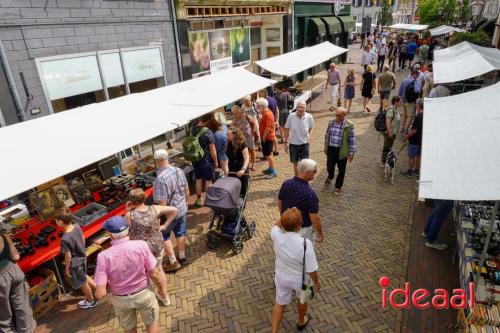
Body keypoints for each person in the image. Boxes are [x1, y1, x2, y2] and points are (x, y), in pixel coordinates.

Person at [94, 216, 165, 333]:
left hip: (121, 299)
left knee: (129, 330)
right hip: (144, 293)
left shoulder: (103, 256)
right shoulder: (141, 245)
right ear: (128, 230)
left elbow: (100, 293)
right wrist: (161, 290)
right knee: (152, 325)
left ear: (110, 235)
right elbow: (154, 273)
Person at [125, 188, 178, 305]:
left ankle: (155, 294)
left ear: (131, 201)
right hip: (157, 244)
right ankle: (164, 296)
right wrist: (165, 225)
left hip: (142, 249)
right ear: (144, 198)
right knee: (159, 269)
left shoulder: (129, 216)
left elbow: (126, 230)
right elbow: (175, 210)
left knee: (147, 272)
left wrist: (127, 210)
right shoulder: (155, 208)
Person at [271, 207, 320, 333]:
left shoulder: (275, 234)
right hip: (300, 280)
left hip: (281, 276)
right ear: (299, 226)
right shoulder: (305, 243)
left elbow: (278, 223)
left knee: (279, 304)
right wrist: (316, 282)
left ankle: (274, 331)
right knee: (302, 299)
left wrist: (287, 215)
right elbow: (311, 269)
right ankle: (301, 320)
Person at [153, 149, 189, 271]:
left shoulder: (160, 179)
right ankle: (182, 257)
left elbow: (162, 203)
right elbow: (186, 190)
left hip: (169, 213)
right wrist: (186, 203)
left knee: (165, 235)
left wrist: (157, 217)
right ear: (167, 158)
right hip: (182, 208)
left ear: (157, 161)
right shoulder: (178, 170)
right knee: (180, 233)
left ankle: (173, 262)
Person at [53, 208, 97, 309]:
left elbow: (68, 256)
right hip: (82, 257)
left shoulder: (64, 239)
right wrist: (82, 249)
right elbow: (82, 237)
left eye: (56, 220)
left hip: (75, 263)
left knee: (82, 283)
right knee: (84, 276)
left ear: (60, 222)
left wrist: (67, 269)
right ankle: (97, 289)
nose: (56, 222)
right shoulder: (77, 226)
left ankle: (91, 301)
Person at [277, 159, 323, 243]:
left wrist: (284, 217)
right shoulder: (310, 193)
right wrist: (320, 234)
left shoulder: (286, 183)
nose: (315, 173)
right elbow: (314, 218)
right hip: (303, 231)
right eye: (314, 171)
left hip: (286, 226)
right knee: (305, 252)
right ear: (307, 172)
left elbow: (280, 201)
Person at [0, 232, 36, 333]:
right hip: (14, 272)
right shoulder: (4, 237)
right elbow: (16, 257)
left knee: (4, 316)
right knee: (22, 306)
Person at [324, 107, 356, 195]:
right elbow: (327, 135)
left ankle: (338, 187)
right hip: (331, 149)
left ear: (344, 116)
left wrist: (351, 152)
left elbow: (352, 139)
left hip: (342, 150)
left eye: (339, 115)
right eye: (336, 115)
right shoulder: (331, 122)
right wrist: (326, 145)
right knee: (330, 167)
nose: (337, 117)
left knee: (342, 170)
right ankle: (330, 176)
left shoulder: (349, 125)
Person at [190, 113, 218, 206]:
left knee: (198, 179)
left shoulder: (191, 129)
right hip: (206, 160)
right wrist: (215, 161)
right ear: (208, 120)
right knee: (208, 181)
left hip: (195, 159)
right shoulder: (207, 131)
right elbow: (212, 149)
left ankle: (198, 200)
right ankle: (209, 200)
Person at [283, 101, 315, 176]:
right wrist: (285, 142)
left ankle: (303, 179)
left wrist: (309, 135)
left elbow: (311, 127)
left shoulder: (309, 116)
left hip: (305, 144)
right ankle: (297, 178)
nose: (300, 109)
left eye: (302, 107)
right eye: (299, 107)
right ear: (296, 108)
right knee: (295, 163)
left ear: (305, 108)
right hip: (293, 144)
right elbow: (286, 129)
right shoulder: (291, 116)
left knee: (304, 164)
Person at [401, 98, 424, 178]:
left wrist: (406, 136)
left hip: (414, 141)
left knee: (411, 156)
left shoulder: (418, 117)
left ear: (418, 106)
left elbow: (414, 130)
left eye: (416, 105)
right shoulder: (426, 115)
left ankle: (410, 171)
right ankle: (417, 171)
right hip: (422, 140)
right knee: (419, 156)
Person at [231, 104, 257, 171]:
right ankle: (247, 164)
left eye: (234, 113)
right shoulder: (235, 118)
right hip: (242, 136)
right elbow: (232, 126)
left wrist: (253, 130)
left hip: (249, 135)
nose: (234, 114)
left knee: (252, 149)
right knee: (246, 150)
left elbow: (253, 122)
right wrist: (237, 129)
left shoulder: (246, 116)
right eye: (233, 113)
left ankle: (254, 164)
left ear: (238, 111)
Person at [257, 97, 278, 179]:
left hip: (268, 138)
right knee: (268, 154)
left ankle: (273, 171)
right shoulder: (266, 113)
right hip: (266, 137)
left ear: (262, 106)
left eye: (258, 106)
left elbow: (268, 128)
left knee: (269, 155)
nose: (257, 108)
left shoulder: (267, 114)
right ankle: (270, 168)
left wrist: (264, 138)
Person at [226, 127, 250, 194]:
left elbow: (247, 158)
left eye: (228, 134)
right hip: (232, 170)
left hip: (241, 170)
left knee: (242, 191)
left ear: (234, 135)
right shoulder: (229, 143)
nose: (226, 136)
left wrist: (243, 170)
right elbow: (228, 157)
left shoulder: (242, 144)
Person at [398, 70, 421, 134]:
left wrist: (402, 98)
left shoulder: (404, 80)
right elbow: (417, 91)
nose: (417, 77)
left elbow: (399, 93)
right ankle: (405, 130)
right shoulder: (415, 82)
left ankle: (401, 129)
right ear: (414, 74)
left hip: (403, 101)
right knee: (409, 116)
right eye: (417, 75)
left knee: (403, 115)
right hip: (410, 102)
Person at [380, 96, 402, 166]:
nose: (401, 103)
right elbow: (388, 121)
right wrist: (390, 132)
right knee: (387, 146)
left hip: (393, 132)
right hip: (389, 132)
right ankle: (383, 162)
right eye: (400, 102)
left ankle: (386, 160)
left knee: (389, 146)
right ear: (396, 102)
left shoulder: (396, 110)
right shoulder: (391, 110)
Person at [259, 90, 280, 156]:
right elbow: (277, 111)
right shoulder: (273, 99)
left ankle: (269, 153)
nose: (259, 98)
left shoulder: (265, 103)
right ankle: (276, 150)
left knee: (271, 137)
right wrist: (277, 121)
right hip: (273, 120)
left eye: (260, 96)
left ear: (263, 96)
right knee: (274, 136)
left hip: (268, 121)